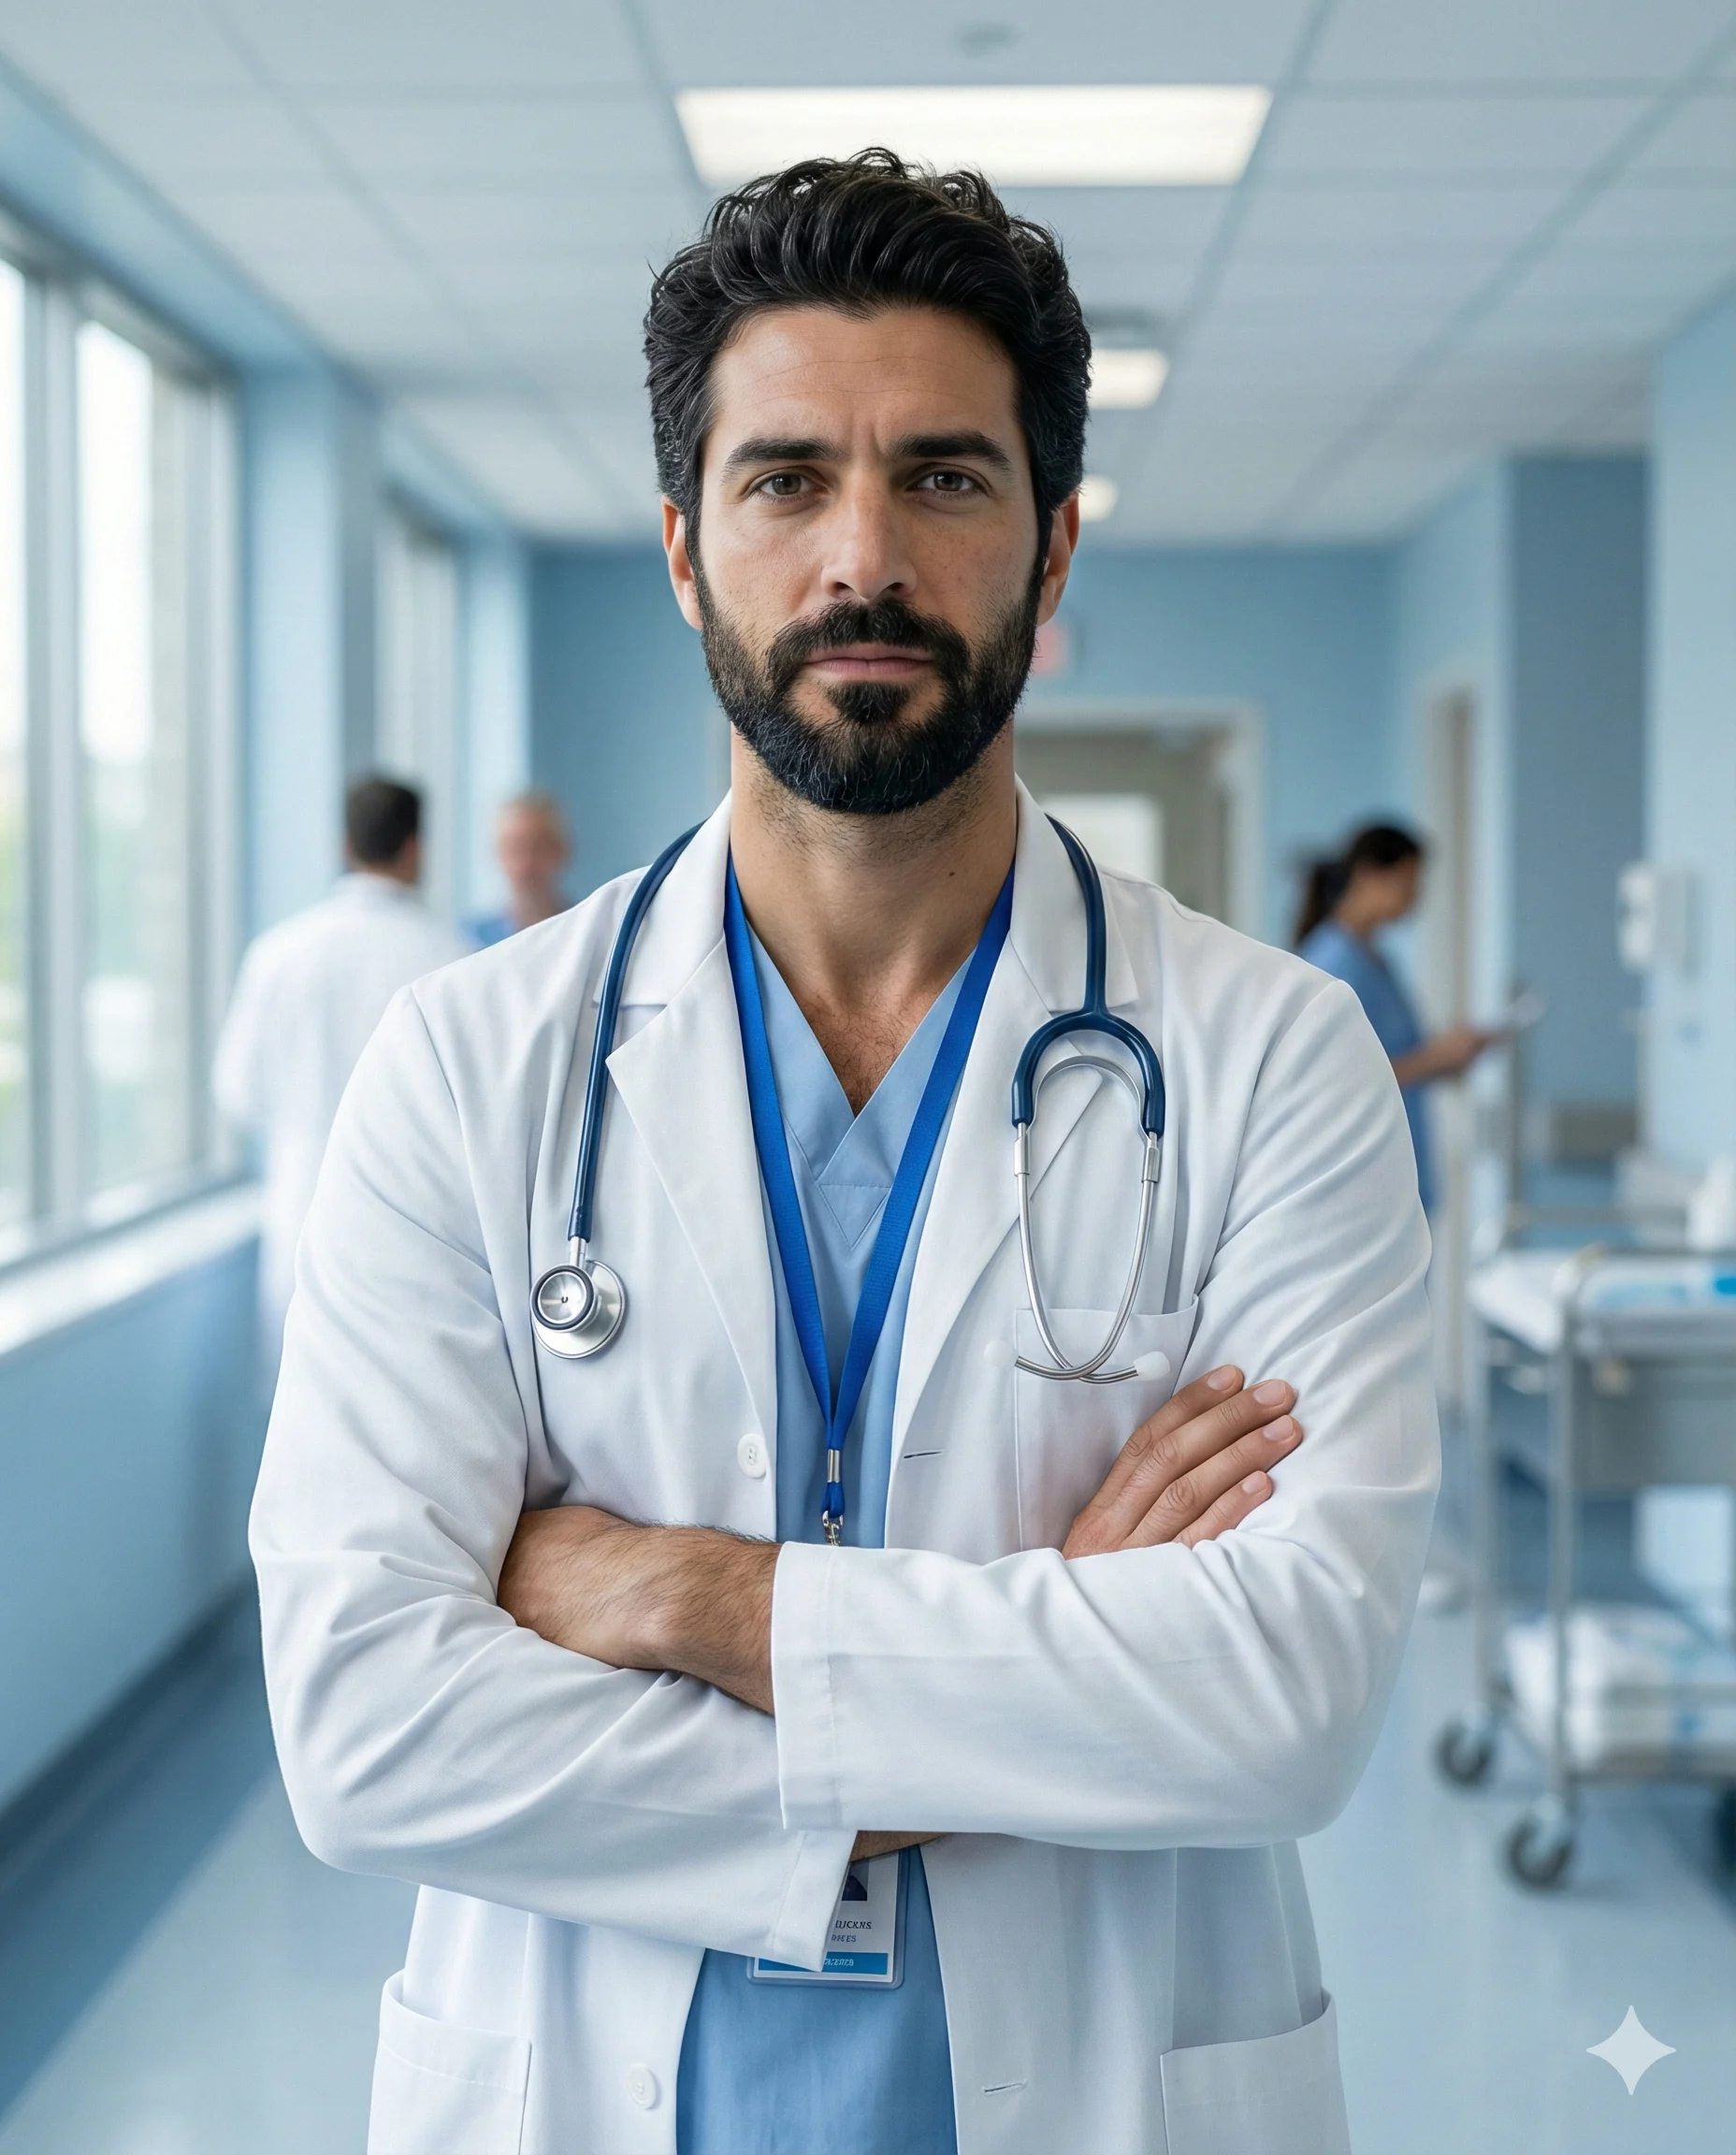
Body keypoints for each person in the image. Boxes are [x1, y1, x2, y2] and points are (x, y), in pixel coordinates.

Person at [251, 155, 1436, 2155]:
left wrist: (691, 1599)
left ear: (1054, 552)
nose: (861, 557)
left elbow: (1287, 1694)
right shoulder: (470, 1060)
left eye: (948, 480)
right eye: (787, 479)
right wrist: (1043, 1661)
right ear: (684, 546)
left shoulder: (1269, 1055)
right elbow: (368, 1735)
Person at [213, 776, 468, 1353]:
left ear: (345, 846)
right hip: (417, 1237)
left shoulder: (278, 953)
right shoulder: (451, 956)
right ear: (415, 848)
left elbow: (237, 1093)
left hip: (298, 1213)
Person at [1295, 822, 1497, 1213]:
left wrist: (1450, 1058)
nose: (1416, 897)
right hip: (1359, 1177)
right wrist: (1437, 1057)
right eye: (1409, 882)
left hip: (1394, 1164)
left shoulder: (1377, 962)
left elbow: (1402, 1056)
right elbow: (1336, 1077)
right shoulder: (1332, 963)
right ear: (1369, 875)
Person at [467, 789, 575, 947]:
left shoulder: (585, 929)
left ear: (561, 850)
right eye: (514, 849)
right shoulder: (470, 941)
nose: (526, 865)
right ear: (497, 854)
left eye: (538, 848)